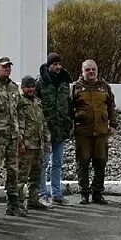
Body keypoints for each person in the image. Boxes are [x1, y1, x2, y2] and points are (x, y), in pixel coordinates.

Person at [71, 59, 118, 204]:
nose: (91, 72)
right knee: (82, 163)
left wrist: (113, 124)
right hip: (83, 132)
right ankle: (84, 193)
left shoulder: (104, 87)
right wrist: (71, 127)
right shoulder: (76, 87)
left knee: (100, 163)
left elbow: (111, 107)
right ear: (82, 72)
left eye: (93, 69)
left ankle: (97, 193)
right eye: (88, 70)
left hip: (101, 132)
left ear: (97, 71)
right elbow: (69, 110)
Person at [36, 53, 72, 205]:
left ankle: (56, 193)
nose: (57, 67)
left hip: (61, 129)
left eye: (59, 64)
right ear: (49, 65)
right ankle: (42, 193)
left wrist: (69, 124)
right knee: (43, 163)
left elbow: (69, 105)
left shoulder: (65, 83)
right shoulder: (41, 83)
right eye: (54, 64)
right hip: (45, 130)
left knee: (57, 163)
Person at [0, 57, 21, 216]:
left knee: (13, 169)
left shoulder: (14, 87)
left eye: (9, 67)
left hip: (13, 135)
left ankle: (13, 203)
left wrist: (19, 132)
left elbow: (18, 111)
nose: (7, 69)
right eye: (4, 67)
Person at [13, 76, 51, 216]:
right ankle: (18, 203)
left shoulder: (37, 102)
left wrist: (47, 141)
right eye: (28, 87)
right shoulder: (19, 102)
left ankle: (33, 199)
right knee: (22, 177)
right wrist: (20, 142)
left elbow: (43, 122)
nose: (30, 89)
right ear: (22, 88)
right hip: (26, 146)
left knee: (36, 175)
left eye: (32, 86)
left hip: (38, 145)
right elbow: (17, 124)